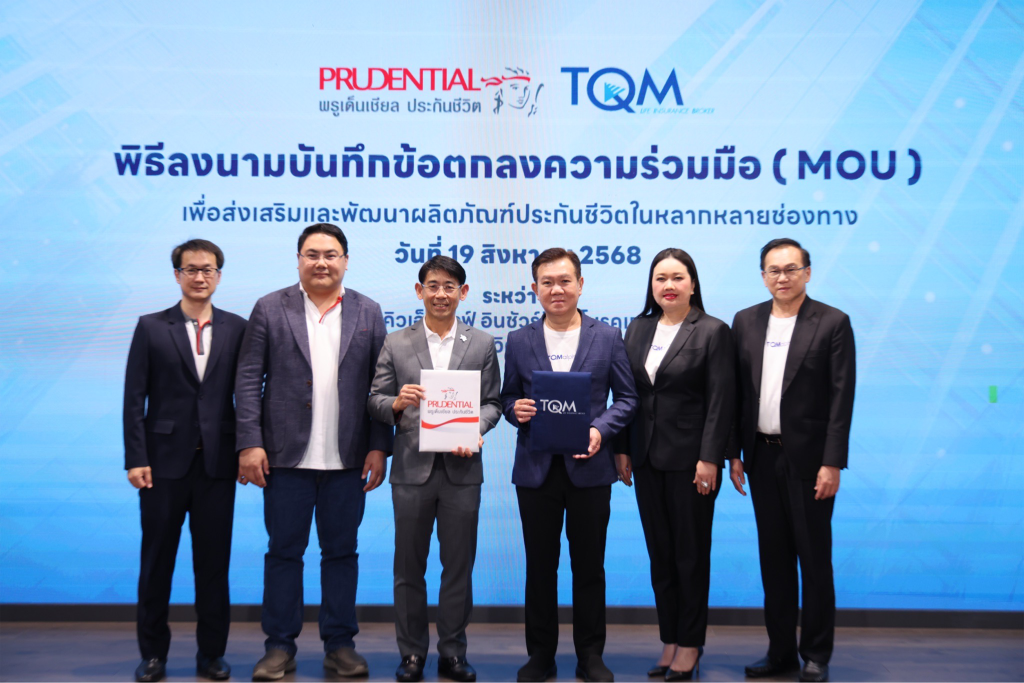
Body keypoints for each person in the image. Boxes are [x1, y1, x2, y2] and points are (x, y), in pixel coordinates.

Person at [235, 223, 392, 681]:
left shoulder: (368, 310)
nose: (321, 262)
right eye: (312, 254)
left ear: (346, 261)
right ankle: (278, 647)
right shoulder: (269, 307)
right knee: (283, 553)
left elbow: (381, 386)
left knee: (341, 554)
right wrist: (249, 442)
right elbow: (248, 379)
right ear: (299, 259)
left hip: (348, 458)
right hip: (285, 459)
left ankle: (340, 644)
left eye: (331, 254)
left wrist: (379, 446)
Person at [500, 248, 638, 683]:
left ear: (580, 284)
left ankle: (590, 655)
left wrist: (600, 429)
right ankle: (540, 655)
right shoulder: (519, 340)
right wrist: (515, 410)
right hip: (536, 470)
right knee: (540, 568)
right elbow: (507, 397)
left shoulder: (607, 336)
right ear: (534, 288)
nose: (556, 289)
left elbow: (627, 398)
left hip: (591, 469)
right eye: (547, 282)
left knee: (589, 567)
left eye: (564, 280)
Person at [368, 255, 502, 683]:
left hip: (463, 470)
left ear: (463, 293)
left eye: (449, 286)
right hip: (411, 470)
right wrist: (396, 403)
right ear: (419, 290)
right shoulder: (396, 342)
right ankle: (411, 654)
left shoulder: (481, 343)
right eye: (433, 285)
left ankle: (453, 653)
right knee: (408, 567)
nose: (440, 294)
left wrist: (475, 428)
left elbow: (493, 403)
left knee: (458, 567)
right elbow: (374, 399)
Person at [729, 238, 855, 683]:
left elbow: (841, 398)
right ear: (763, 276)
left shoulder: (833, 322)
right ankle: (780, 651)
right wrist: (733, 453)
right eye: (773, 270)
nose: (782, 277)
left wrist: (832, 462)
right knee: (774, 561)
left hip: (810, 463)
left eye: (790, 269)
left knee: (814, 561)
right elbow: (737, 394)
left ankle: (816, 654)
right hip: (761, 456)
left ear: (807, 272)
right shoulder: (745, 321)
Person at [123, 239, 247, 682]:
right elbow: (134, 397)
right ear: (177, 274)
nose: (199, 276)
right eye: (191, 269)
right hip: (161, 466)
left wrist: (247, 449)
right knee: (157, 563)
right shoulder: (152, 326)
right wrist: (135, 457)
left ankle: (211, 654)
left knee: (213, 565)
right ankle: (152, 655)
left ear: (219, 275)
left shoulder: (237, 327)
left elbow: (247, 396)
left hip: (217, 466)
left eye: (208, 269)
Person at [613, 249, 735, 681]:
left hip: (692, 462)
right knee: (660, 555)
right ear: (651, 285)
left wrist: (710, 457)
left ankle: (690, 643)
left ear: (693, 284)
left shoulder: (713, 331)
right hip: (646, 457)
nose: (669, 285)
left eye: (677, 277)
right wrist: (622, 448)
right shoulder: (638, 327)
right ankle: (670, 638)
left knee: (690, 555)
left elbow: (721, 400)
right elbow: (627, 394)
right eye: (660, 277)